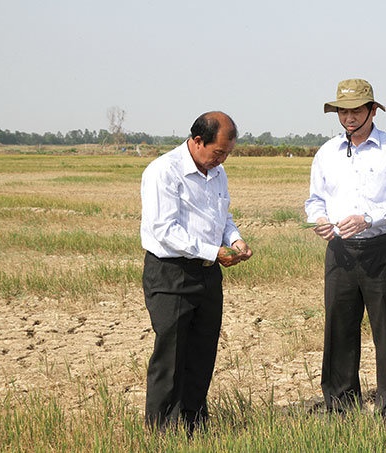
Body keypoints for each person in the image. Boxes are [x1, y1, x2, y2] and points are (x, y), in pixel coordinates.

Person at [305, 79, 386, 418]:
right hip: (339, 252)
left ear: (372, 110)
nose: (349, 117)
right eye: (343, 111)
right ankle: (340, 406)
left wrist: (368, 218)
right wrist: (320, 219)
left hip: (381, 252)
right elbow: (315, 199)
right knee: (338, 329)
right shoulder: (327, 152)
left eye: (356, 110)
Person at [140, 111, 252, 433]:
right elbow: (165, 230)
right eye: (218, 152)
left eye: (227, 153)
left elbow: (222, 217)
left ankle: (193, 425)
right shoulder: (164, 171)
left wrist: (234, 239)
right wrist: (213, 251)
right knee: (171, 357)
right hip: (171, 274)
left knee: (202, 353)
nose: (222, 160)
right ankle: (162, 432)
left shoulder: (217, 173)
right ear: (198, 140)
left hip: (208, 274)